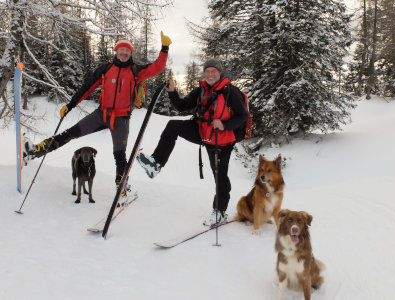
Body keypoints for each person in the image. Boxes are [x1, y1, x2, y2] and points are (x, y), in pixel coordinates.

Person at [25, 32, 172, 196]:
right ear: (116, 51)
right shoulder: (106, 68)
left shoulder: (136, 70)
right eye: (121, 49)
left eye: (127, 50)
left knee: (119, 154)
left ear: (130, 53)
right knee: (70, 133)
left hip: (121, 119)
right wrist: (71, 105)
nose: (124, 53)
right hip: (101, 114)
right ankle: (35, 151)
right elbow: (87, 87)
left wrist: (164, 49)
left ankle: (121, 189)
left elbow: (158, 67)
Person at [136, 58, 248, 227]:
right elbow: (181, 106)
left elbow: (242, 116)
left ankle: (220, 211)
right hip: (203, 132)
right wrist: (172, 91)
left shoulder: (231, 91)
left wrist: (224, 125)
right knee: (173, 125)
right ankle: (155, 164)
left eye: (214, 71)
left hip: (221, 141)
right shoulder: (201, 89)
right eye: (207, 71)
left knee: (220, 176)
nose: (210, 74)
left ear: (219, 73)